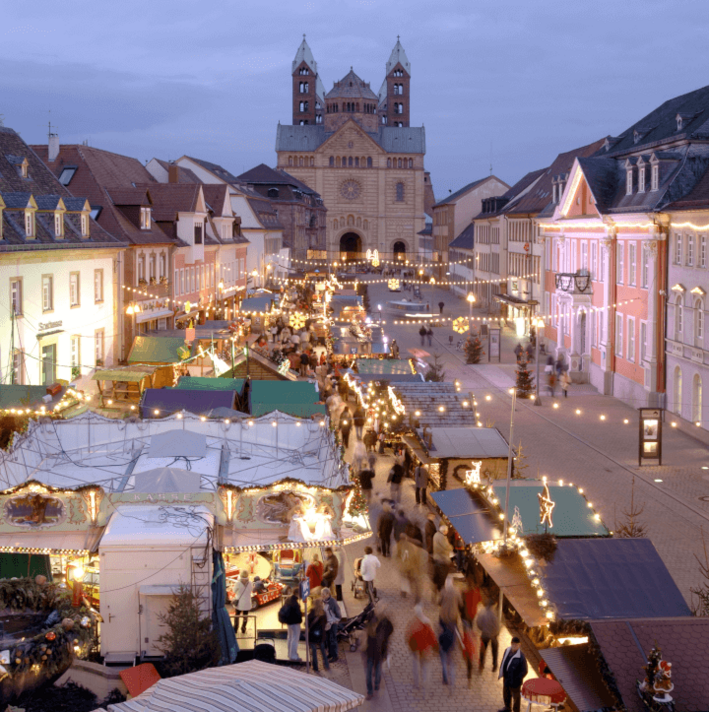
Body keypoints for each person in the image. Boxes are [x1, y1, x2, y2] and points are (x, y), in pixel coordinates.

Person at [407, 604, 438, 690]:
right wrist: (434, 648)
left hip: (415, 649)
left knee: (415, 666)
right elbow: (432, 635)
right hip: (425, 648)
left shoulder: (413, 622)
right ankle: (425, 682)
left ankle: (417, 684)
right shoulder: (427, 621)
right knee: (425, 667)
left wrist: (410, 645)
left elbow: (408, 635)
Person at [438, 577, 461, 686]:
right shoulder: (457, 591)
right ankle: (451, 648)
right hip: (453, 620)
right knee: (452, 638)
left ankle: (444, 677)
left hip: (443, 619)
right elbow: (461, 604)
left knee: (442, 639)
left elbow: (439, 602)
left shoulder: (443, 591)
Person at [499, 636, 528, 712]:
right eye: (513, 644)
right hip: (507, 678)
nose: (514, 646)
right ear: (511, 644)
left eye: (516, 644)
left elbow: (525, 671)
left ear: (519, 645)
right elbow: (503, 661)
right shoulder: (507, 651)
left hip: (515, 682)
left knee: (516, 698)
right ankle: (507, 708)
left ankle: (516, 711)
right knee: (506, 694)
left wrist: (517, 679)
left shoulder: (521, 657)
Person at [476, 597, 500, 672]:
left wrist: (483, 629)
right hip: (493, 635)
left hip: (485, 634)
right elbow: (497, 626)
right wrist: (496, 633)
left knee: (483, 650)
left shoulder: (482, 611)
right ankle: (495, 665)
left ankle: (481, 665)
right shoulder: (495, 614)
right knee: (494, 650)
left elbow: (478, 622)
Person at [278, 590, 303, 661]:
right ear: (297, 593)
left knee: (290, 638)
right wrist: (301, 618)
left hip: (289, 622)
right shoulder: (295, 603)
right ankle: (293, 655)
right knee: (295, 639)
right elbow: (297, 614)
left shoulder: (288, 599)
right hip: (295, 622)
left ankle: (290, 653)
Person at [307, 599, 330, 672]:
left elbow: (306, 624)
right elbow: (326, 622)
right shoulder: (323, 613)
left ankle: (315, 667)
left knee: (314, 651)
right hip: (321, 634)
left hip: (313, 635)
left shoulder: (311, 614)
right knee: (323, 650)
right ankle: (326, 665)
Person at [321, 587, 342, 662]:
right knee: (328, 640)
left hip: (333, 623)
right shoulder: (324, 601)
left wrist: (333, 621)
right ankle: (330, 653)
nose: (322, 595)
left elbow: (338, 614)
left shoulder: (332, 602)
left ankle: (335, 656)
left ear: (328, 594)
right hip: (327, 623)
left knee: (332, 639)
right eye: (322, 594)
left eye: (324, 594)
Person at [432, 524, 454, 592]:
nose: (447, 533)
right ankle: (440, 589)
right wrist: (451, 547)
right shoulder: (442, 537)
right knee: (442, 574)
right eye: (446, 531)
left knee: (437, 573)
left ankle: (436, 588)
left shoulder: (435, 534)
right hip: (442, 558)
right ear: (444, 531)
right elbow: (446, 546)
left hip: (436, 556)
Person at [233, 569, 253, 635]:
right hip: (247, 602)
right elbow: (251, 590)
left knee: (237, 616)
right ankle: (243, 628)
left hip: (239, 603)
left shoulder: (238, 583)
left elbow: (234, 591)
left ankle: (235, 628)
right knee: (245, 616)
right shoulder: (250, 583)